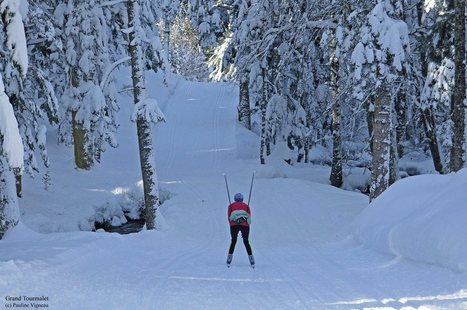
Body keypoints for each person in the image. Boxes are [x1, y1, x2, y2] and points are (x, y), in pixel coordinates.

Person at [226, 192, 255, 267]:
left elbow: (229, 217)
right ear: (242, 199)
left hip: (234, 225)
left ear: (235, 199)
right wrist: (247, 225)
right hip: (245, 225)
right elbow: (249, 217)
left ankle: (229, 257)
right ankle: (251, 258)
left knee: (233, 241)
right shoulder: (246, 206)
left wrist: (232, 224)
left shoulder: (231, 206)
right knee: (246, 241)